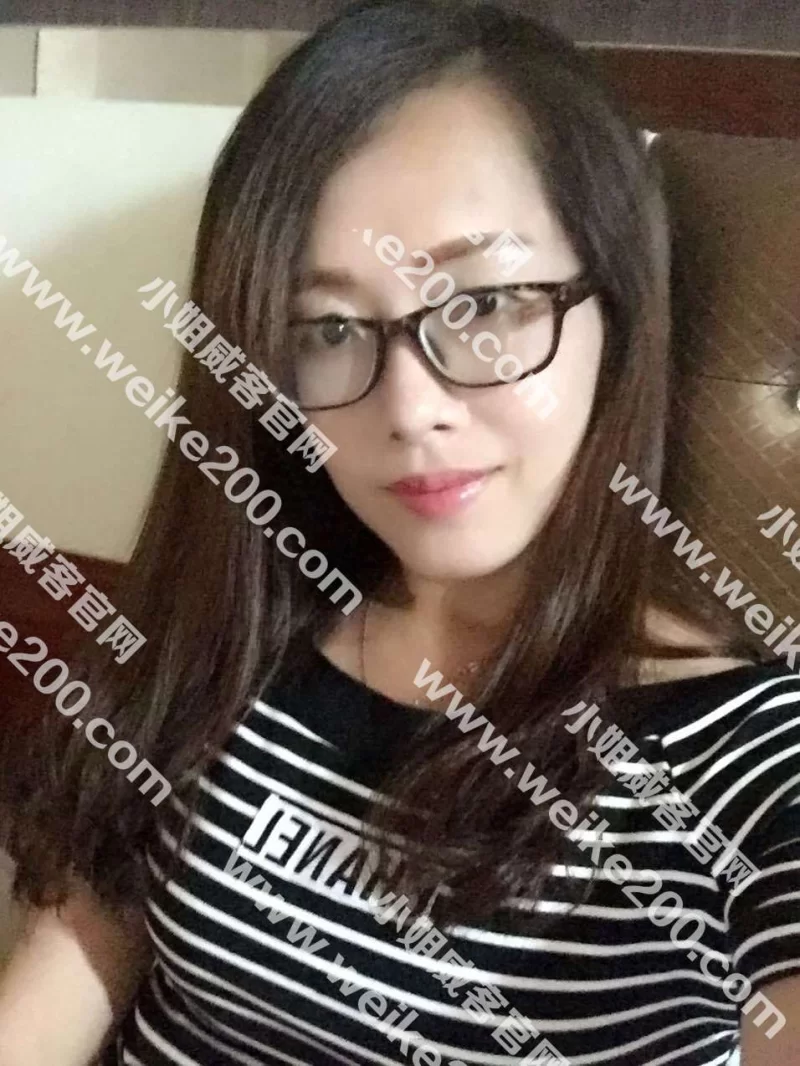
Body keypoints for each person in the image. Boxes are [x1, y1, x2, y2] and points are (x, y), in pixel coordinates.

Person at [1, 2, 799, 1063]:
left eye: (484, 305)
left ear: (616, 312)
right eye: (328, 329)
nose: (411, 408)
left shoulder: (750, 758)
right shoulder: (239, 624)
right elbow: (73, 963)